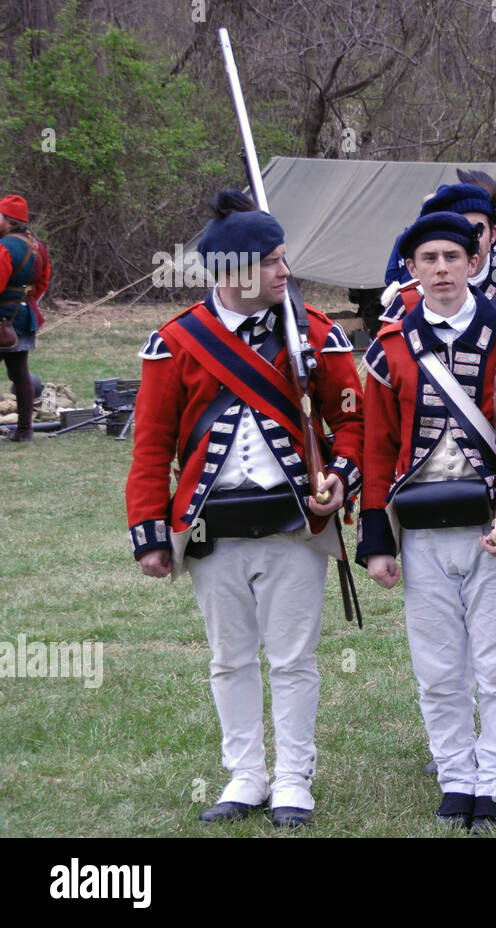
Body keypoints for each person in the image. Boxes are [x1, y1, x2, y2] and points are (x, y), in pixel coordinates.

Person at [126, 191, 364, 828]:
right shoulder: (174, 341)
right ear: (232, 271)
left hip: (294, 526)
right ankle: (244, 775)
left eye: (284, 259)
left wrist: (340, 476)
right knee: (229, 659)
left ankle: (292, 777)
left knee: (292, 659)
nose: (285, 271)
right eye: (271, 261)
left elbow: (353, 420)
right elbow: (151, 445)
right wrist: (150, 533)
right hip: (212, 527)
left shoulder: (314, 330)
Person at [357, 211, 496, 832]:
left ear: (475, 262)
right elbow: (377, 449)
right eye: (428, 259)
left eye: (452, 257)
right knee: (439, 666)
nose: (441, 269)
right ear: (411, 270)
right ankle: (454, 773)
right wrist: (376, 539)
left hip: (492, 527)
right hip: (420, 531)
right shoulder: (389, 349)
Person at [0, 195, 51, 442]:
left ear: (7, 220)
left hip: (3, 319)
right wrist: (24, 298)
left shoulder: (4, 247)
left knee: (20, 374)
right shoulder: (36, 245)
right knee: (20, 373)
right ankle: (24, 431)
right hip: (23, 316)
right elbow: (42, 283)